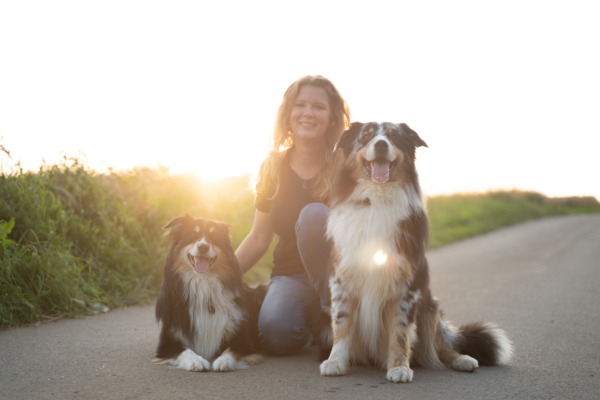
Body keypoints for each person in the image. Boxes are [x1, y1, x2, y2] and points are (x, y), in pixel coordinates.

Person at [235, 75, 351, 355]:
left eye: (318, 106)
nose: (308, 113)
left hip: (341, 276)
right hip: (292, 276)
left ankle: (333, 313)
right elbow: (259, 237)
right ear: (288, 114)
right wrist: (219, 278)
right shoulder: (272, 167)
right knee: (275, 335)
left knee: (314, 216)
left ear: (333, 116)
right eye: (300, 105)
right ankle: (317, 326)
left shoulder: (348, 164)